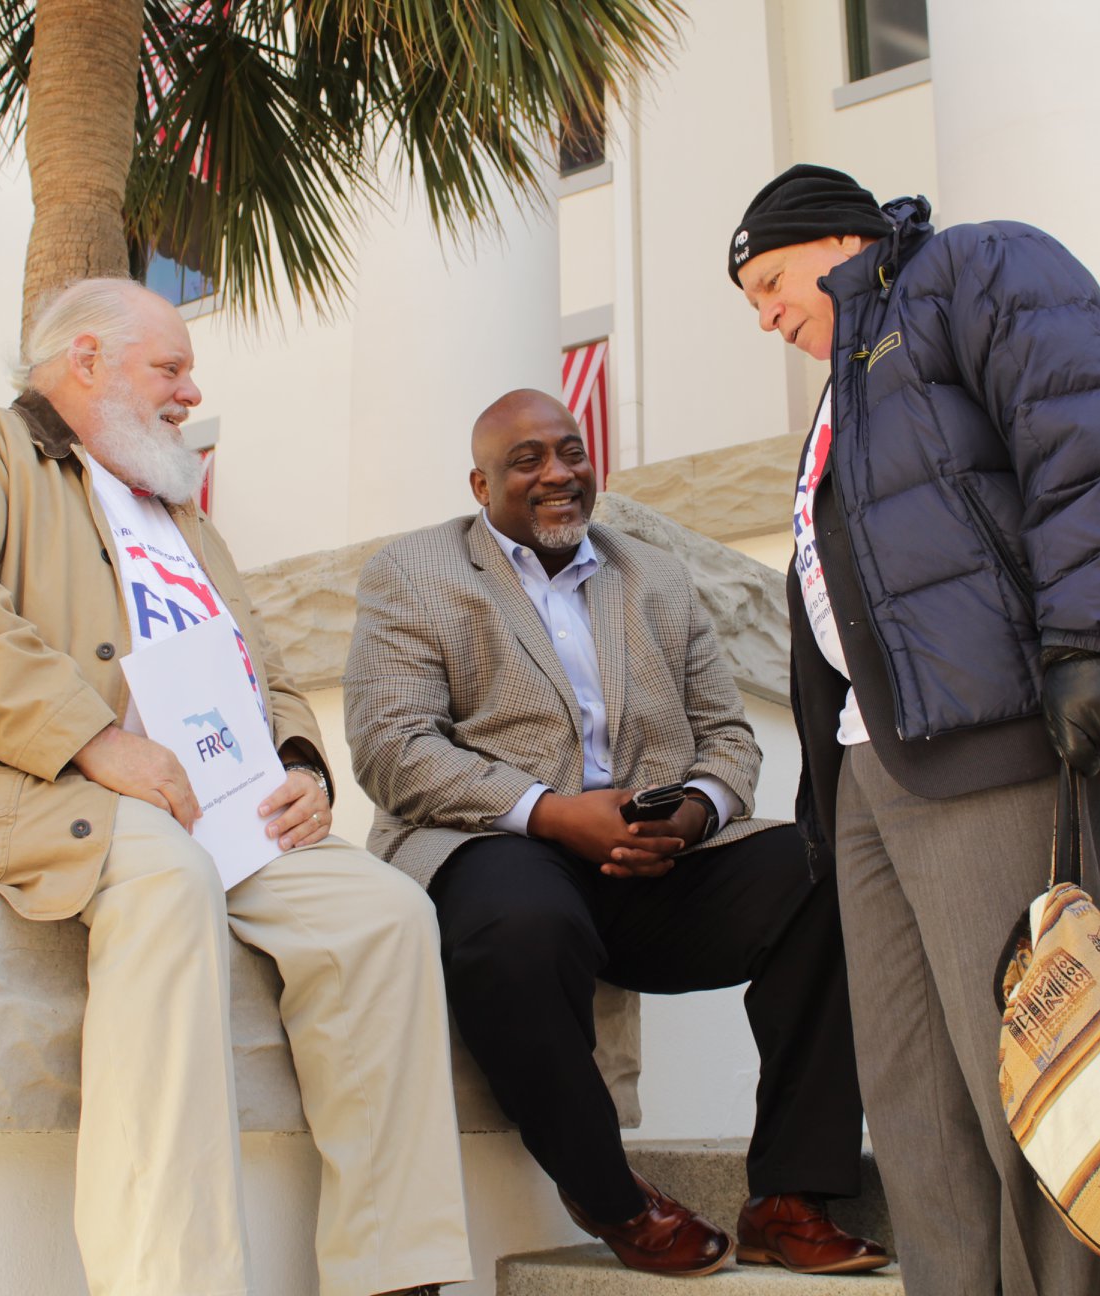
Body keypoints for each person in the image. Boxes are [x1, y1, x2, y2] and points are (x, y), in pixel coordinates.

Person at [0, 277, 472, 1296]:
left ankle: (396, 1275)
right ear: (84, 360)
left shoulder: (181, 510)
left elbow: (257, 654)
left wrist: (299, 765)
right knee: (165, 877)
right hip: (14, 784)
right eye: (170, 367)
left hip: (206, 804)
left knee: (383, 914)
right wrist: (90, 735)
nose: (189, 389)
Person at [726, 164, 1100, 1296]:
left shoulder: (976, 270)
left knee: (1035, 1069)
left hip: (989, 737)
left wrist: (1092, 640)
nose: (765, 316)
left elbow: (1087, 443)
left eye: (769, 281)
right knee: (912, 1088)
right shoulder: (851, 381)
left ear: (840, 240)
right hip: (873, 764)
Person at [341, 389, 889, 1280]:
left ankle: (790, 1198)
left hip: (655, 861)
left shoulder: (656, 575)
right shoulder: (414, 574)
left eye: (570, 451)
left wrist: (699, 809)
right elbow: (390, 748)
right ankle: (611, 1196)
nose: (557, 473)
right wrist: (553, 814)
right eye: (527, 461)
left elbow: (727, 732)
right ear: (480, 483)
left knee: (830, 872)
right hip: (499, 844)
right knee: (521, 925)